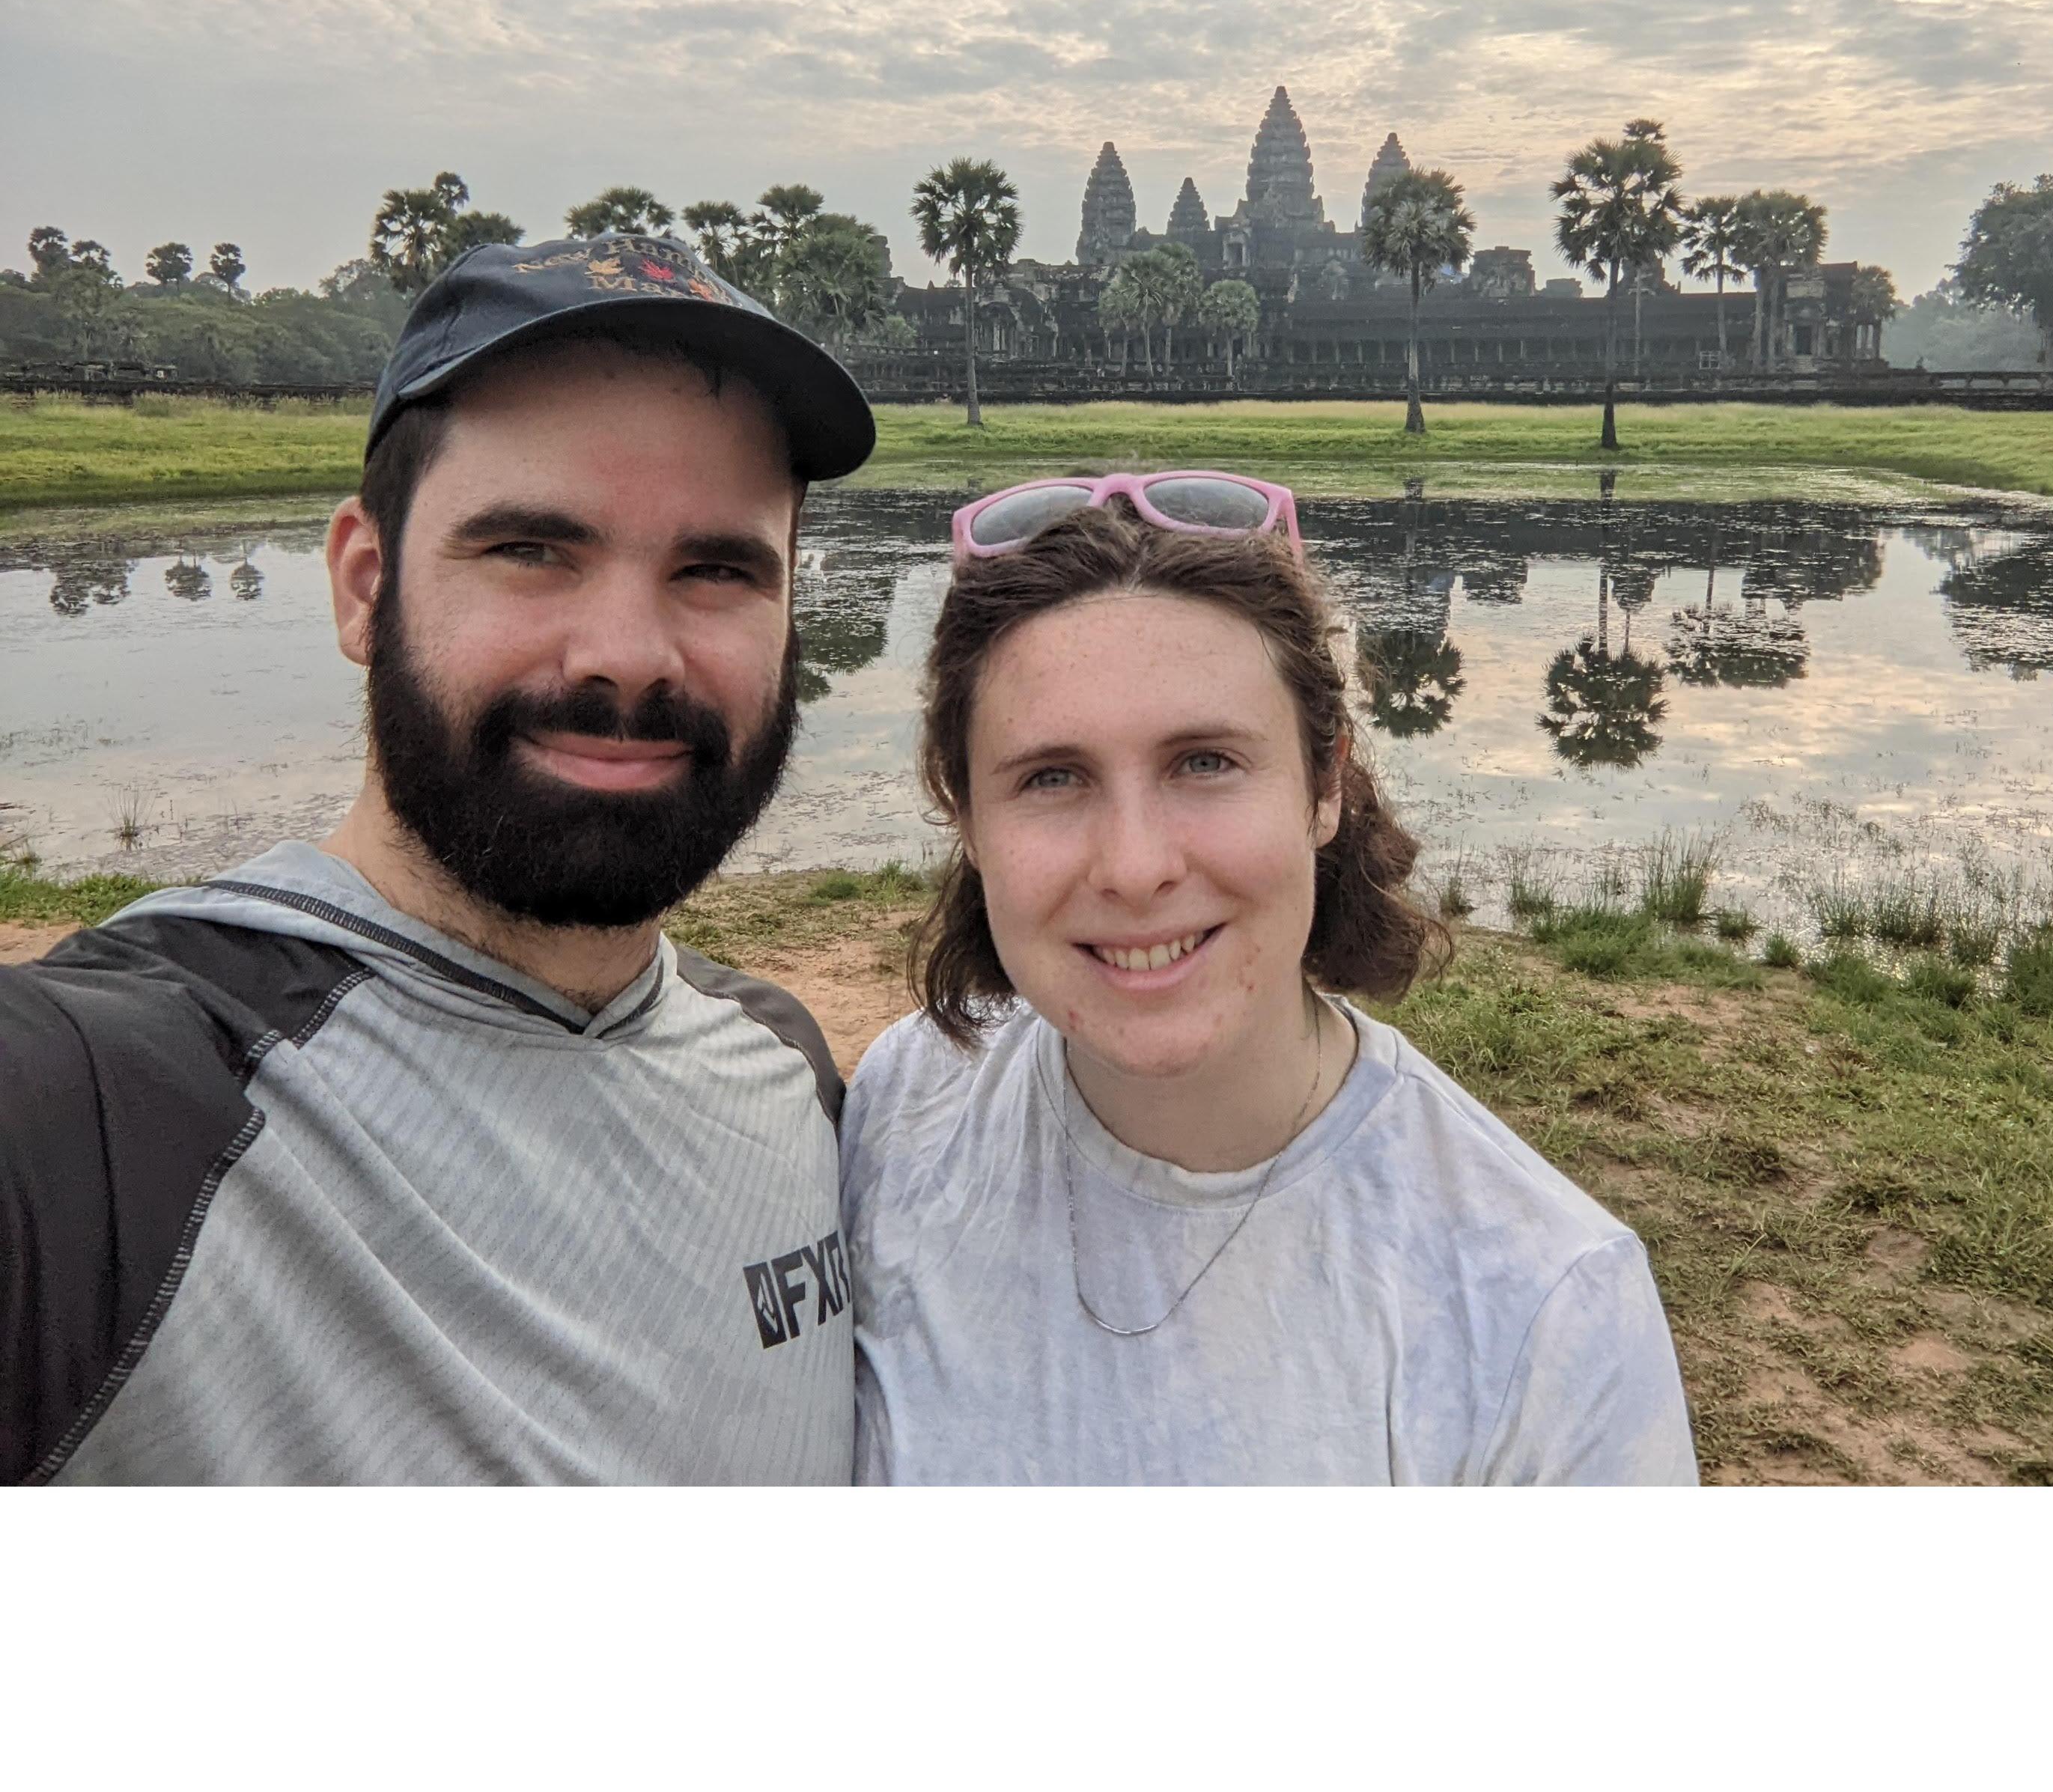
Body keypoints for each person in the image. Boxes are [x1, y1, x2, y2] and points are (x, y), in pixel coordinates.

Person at [1, 232, 873, 1484]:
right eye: (532, 549)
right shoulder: (99, 1108)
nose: (627, 653)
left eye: (718, 568)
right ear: (365, 586)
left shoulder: (788, 1069)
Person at [842, 473, 1698, 1484]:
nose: (1134, 865)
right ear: (965, 813)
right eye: (1052, 777)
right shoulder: (903, 1113)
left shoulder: (1549, 1313)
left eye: (1203, 763)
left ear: (1325, 783)